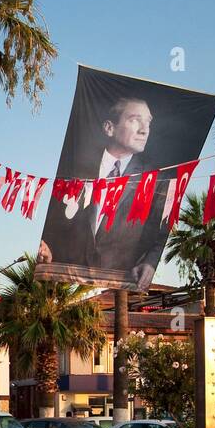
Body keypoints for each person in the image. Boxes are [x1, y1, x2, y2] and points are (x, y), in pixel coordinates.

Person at [38, 95, 166, 290]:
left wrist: (151, 261)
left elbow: (161, 231)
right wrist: (46, 246)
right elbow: (52, 218)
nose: (144, 130)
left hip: (117, 287)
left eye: (148, 122)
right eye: (134, 120)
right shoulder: (73, 168)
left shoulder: (157, 179)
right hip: (65, 281)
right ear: (109, 128)